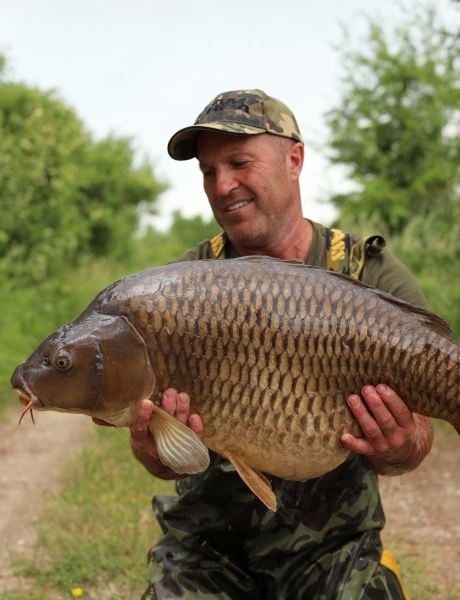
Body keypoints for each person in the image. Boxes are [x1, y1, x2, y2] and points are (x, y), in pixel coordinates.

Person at [128, 89, 434, 599]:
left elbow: (416, 443)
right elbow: (161, 459)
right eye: (208, 171)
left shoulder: (370, 275)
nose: (222, 185)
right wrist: (154, 447)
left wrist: (399, 445)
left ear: (295, 160)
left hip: (330, 547)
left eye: (239, 163)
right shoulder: (179, 289)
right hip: (208, 548)